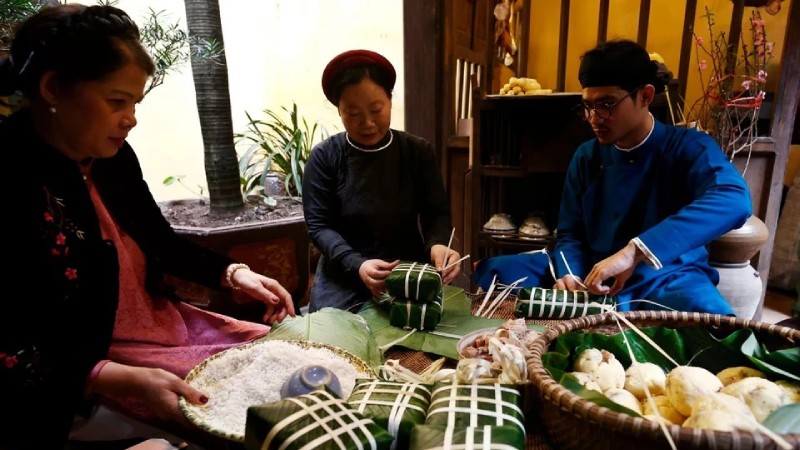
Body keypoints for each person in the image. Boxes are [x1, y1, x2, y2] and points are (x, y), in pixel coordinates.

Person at [0, 4, 295, 449]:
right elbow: (16, 338)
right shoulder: (12, 174)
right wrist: (115, 378)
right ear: (54, 88)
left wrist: (234, 274)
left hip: (156, 326)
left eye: (135, 103)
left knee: (282, 359)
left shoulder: (113, 158)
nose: (131, 118)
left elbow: (159, 241)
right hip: (83, 366)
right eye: (116, 101)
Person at [475, 39, 752, 315]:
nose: (595, 118)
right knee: (495, 272)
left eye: (606, 104)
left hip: (666, 275)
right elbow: (570, 234)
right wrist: (570, 276)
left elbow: (734, 199)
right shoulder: (586, 157)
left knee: (713, 322)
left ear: (644, 96)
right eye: (588, 106)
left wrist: (635, 251)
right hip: (593, 272)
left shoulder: (688, 147)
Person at [302, 49, 461, 312]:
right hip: (344, 272)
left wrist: (438, 244)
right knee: (334, 343)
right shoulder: (324, 157)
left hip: (406, 269)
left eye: (376, 109)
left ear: (389, 100)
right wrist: (357, 264)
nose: (367, 123)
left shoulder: (417, 152)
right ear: (338, 110)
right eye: (352, 113)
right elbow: (319, 226)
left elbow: (436, 212)